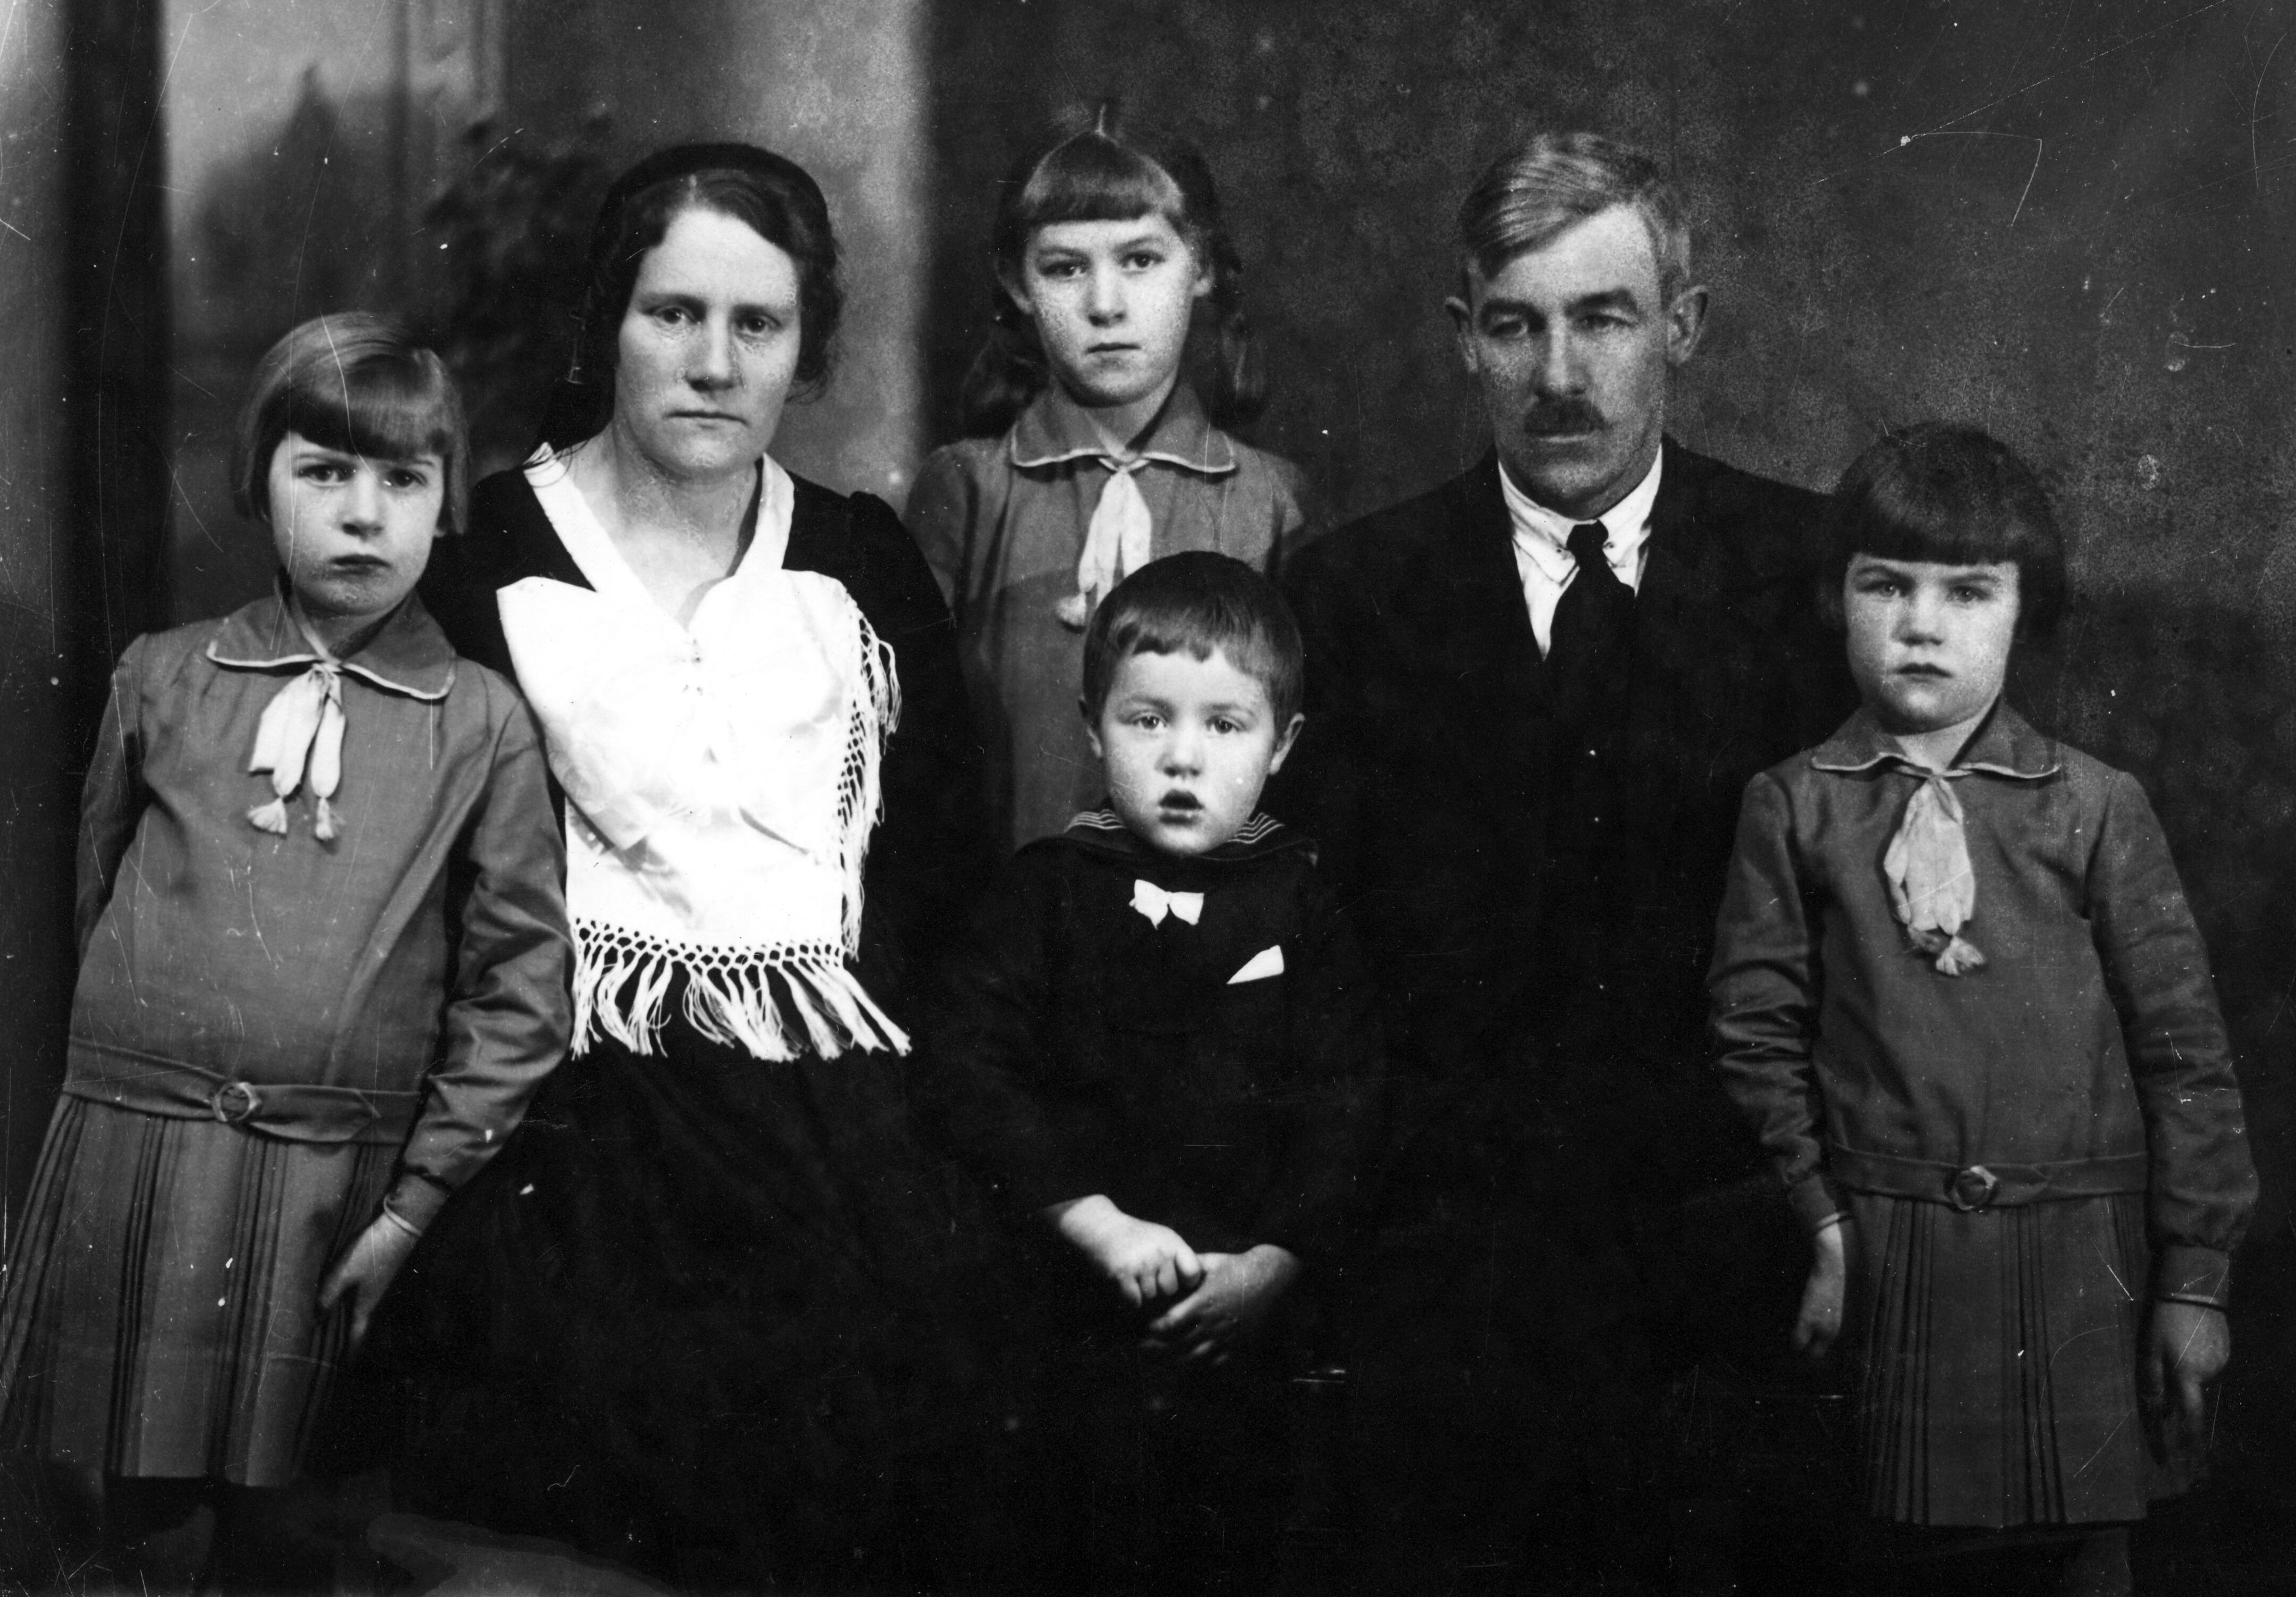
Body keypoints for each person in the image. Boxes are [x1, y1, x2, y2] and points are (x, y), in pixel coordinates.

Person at [392, 142, 989, 1591]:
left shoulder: (860, 561)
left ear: (806, 348)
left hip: (842, 1131)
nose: (715, 363)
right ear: (608, 322)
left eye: (757, 324)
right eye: (673, 314)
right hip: (575, 1134)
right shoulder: (479, 559)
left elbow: (939, 876)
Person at [1270, 131, 1856, 1590]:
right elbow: (1322, 973)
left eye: (1605, 320)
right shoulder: (1350, 595)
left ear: (1685, 327)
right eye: (1517, 326)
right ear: (1461, 337)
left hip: (1740, 1255)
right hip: (1448, 1281)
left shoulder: (1811, 577)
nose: (1560, 375)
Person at [0, 314, 569, 1594]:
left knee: (292, 1537)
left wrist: (411, 1206)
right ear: (259, 482)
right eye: (325, 471)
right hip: (137, 1168)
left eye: (403, 478)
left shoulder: (480, 725)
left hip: (333, 1191)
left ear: (443, 504)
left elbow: (521, 994)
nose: (364, 513)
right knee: (117, 1529)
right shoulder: (163, 680)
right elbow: (89, 904)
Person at [1708, 422, 2256, 1596]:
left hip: (2080, 1270)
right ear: (1835, 600)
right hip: (1886, 1258)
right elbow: (1756, 1035)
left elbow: (2187, 1057)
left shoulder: (2096, 808)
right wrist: (1820, 1220)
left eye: (1967, 591)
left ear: (2023, 611)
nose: (1922, 623)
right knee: (1886, 1559)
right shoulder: (1794, 808)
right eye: (1886, 586)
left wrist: (2194, 1278)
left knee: (2076, 1565)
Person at [917, 551, 1378, 1595]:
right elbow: (968, 1070)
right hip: (1066, 1323)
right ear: (1092, 727)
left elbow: (1346, 1104)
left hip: (1248, 1329)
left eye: (1226, 725)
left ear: (1283, 743)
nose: (1182, 758)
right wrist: (1095, 1223)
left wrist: (1274, 1261)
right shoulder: (1043, 894)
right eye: (1146, 719)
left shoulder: (1305, 908)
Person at [906, 105, 1316, 855]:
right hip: (1008, 898)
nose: (1105, 305)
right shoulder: (967, 490)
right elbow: (919, 750)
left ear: (1202, 267)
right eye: (1066, 268)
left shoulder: (1272, 501)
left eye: (1140, 260)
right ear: (1017, 283)